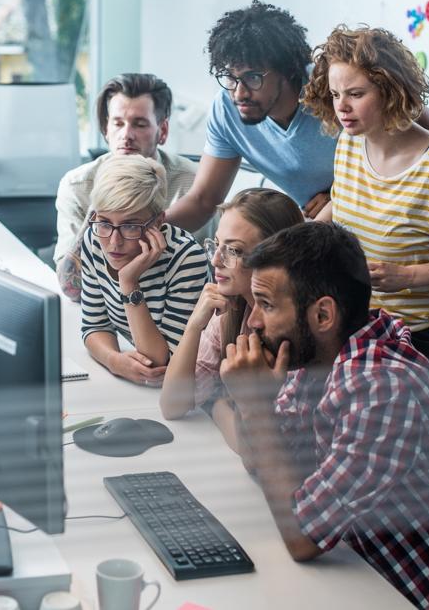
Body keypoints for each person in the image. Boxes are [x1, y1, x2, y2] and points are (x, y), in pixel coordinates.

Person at [218, 221, 429, 609]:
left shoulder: (382, 389)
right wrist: (252, 403)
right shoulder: (322, 358)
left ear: (323, 315)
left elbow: (303, 537)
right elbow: (262, 461)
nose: (254, 320)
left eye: (267, 304)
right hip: (367, 565)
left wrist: (257, 406)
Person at [303, 24, 429, 356]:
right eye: (335, 94)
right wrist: (308, 235)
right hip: (356, 316)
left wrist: (408, 276)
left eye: (356, 94)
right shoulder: (350, 144)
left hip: (412, 335)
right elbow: (343, 201)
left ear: (390, 90)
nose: (342, 107)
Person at [164, 0, 429, 232]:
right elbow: (203, 200)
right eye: (229, 77)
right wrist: (140, 231)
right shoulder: (227, 109)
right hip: (329, 229)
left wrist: (341, 192)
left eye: (253, 77)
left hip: (387, 220)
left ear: (288, 71)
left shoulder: (335, 88)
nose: (239, 92)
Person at [159, 188, 304, 451]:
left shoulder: (293, 327)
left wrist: (216, 406)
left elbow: (254, 448)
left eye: (234, 251)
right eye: (216, 244)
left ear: (276, 257)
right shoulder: (233, 308)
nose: (215, 260)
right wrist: (194, 325)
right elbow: (172, 405)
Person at [55, 73, 213, 300]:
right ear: (106, 130)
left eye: (139, 124)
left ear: (163, 131)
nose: (126, 135)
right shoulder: (77, 185)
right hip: (105, 315)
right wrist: (104, 201)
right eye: (118, 123)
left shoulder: (193, 184)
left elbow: (211, 278)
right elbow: (72, 289)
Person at [80, 154, 209, 387]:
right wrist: (114, 361)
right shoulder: (95, 238)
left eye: (130, 225)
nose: (113, 242)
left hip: (193, 388)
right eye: (105, 221)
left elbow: (161, 365)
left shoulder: (187, 259)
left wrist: (129, 283)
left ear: (158, 222)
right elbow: (94, 326)